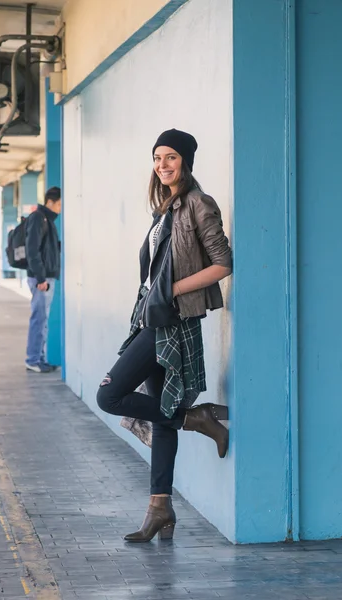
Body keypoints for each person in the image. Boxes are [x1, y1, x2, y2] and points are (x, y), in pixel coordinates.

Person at [96, 129, 233, 543]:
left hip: (170, 322)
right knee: (160, 411)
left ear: (186, 161)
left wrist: (172, 290)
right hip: (152, 318)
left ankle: (199, 418)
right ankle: (160, 508)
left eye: (171, 157)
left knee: (109, 394)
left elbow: (223, 263)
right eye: (157, 158)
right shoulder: (166, 208)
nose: (162, 165)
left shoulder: (198, 204)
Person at [25, 186, 61, 373]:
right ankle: (33, 359)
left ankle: (39, 358)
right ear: (51, 202)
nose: (60, 208)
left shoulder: (47, 219)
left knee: (43, 320)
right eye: (59, 204)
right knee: (39, 319)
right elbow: (32, 250)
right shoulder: (39, 218)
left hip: (45, 277)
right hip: (41, 279)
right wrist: (40, 277)